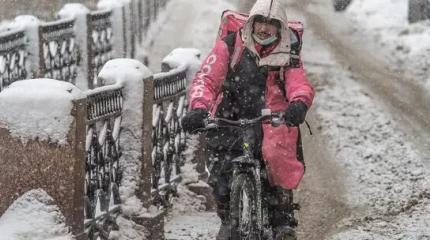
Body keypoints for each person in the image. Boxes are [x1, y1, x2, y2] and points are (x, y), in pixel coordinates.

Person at [181, 0, 315, 239]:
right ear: (251, 23)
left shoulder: (288, 52)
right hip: (229, 116)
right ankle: (227, 216)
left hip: (271, 118)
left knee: (275, 158)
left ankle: (281, 217)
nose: (264, 29)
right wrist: (199, 109)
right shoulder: (230, 46)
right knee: (220, 170)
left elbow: (298, 82)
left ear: (280, 29)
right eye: (260, 22)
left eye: (271, 25)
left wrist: (298, 104)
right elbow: (207, 79)